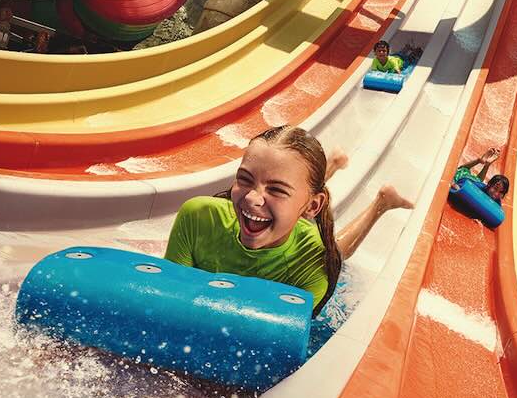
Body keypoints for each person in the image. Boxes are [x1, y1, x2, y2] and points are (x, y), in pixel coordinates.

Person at [164, 124, 411, 314]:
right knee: (290, 189)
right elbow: (169, 299)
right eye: (245, 179)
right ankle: (329, 165)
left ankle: (381, 203)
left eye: (277, 190)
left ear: (313, 206)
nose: (251, 198)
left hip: (300, 225)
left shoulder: (312, 258)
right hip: (287, 210)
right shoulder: (198, 217)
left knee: (336, 251)